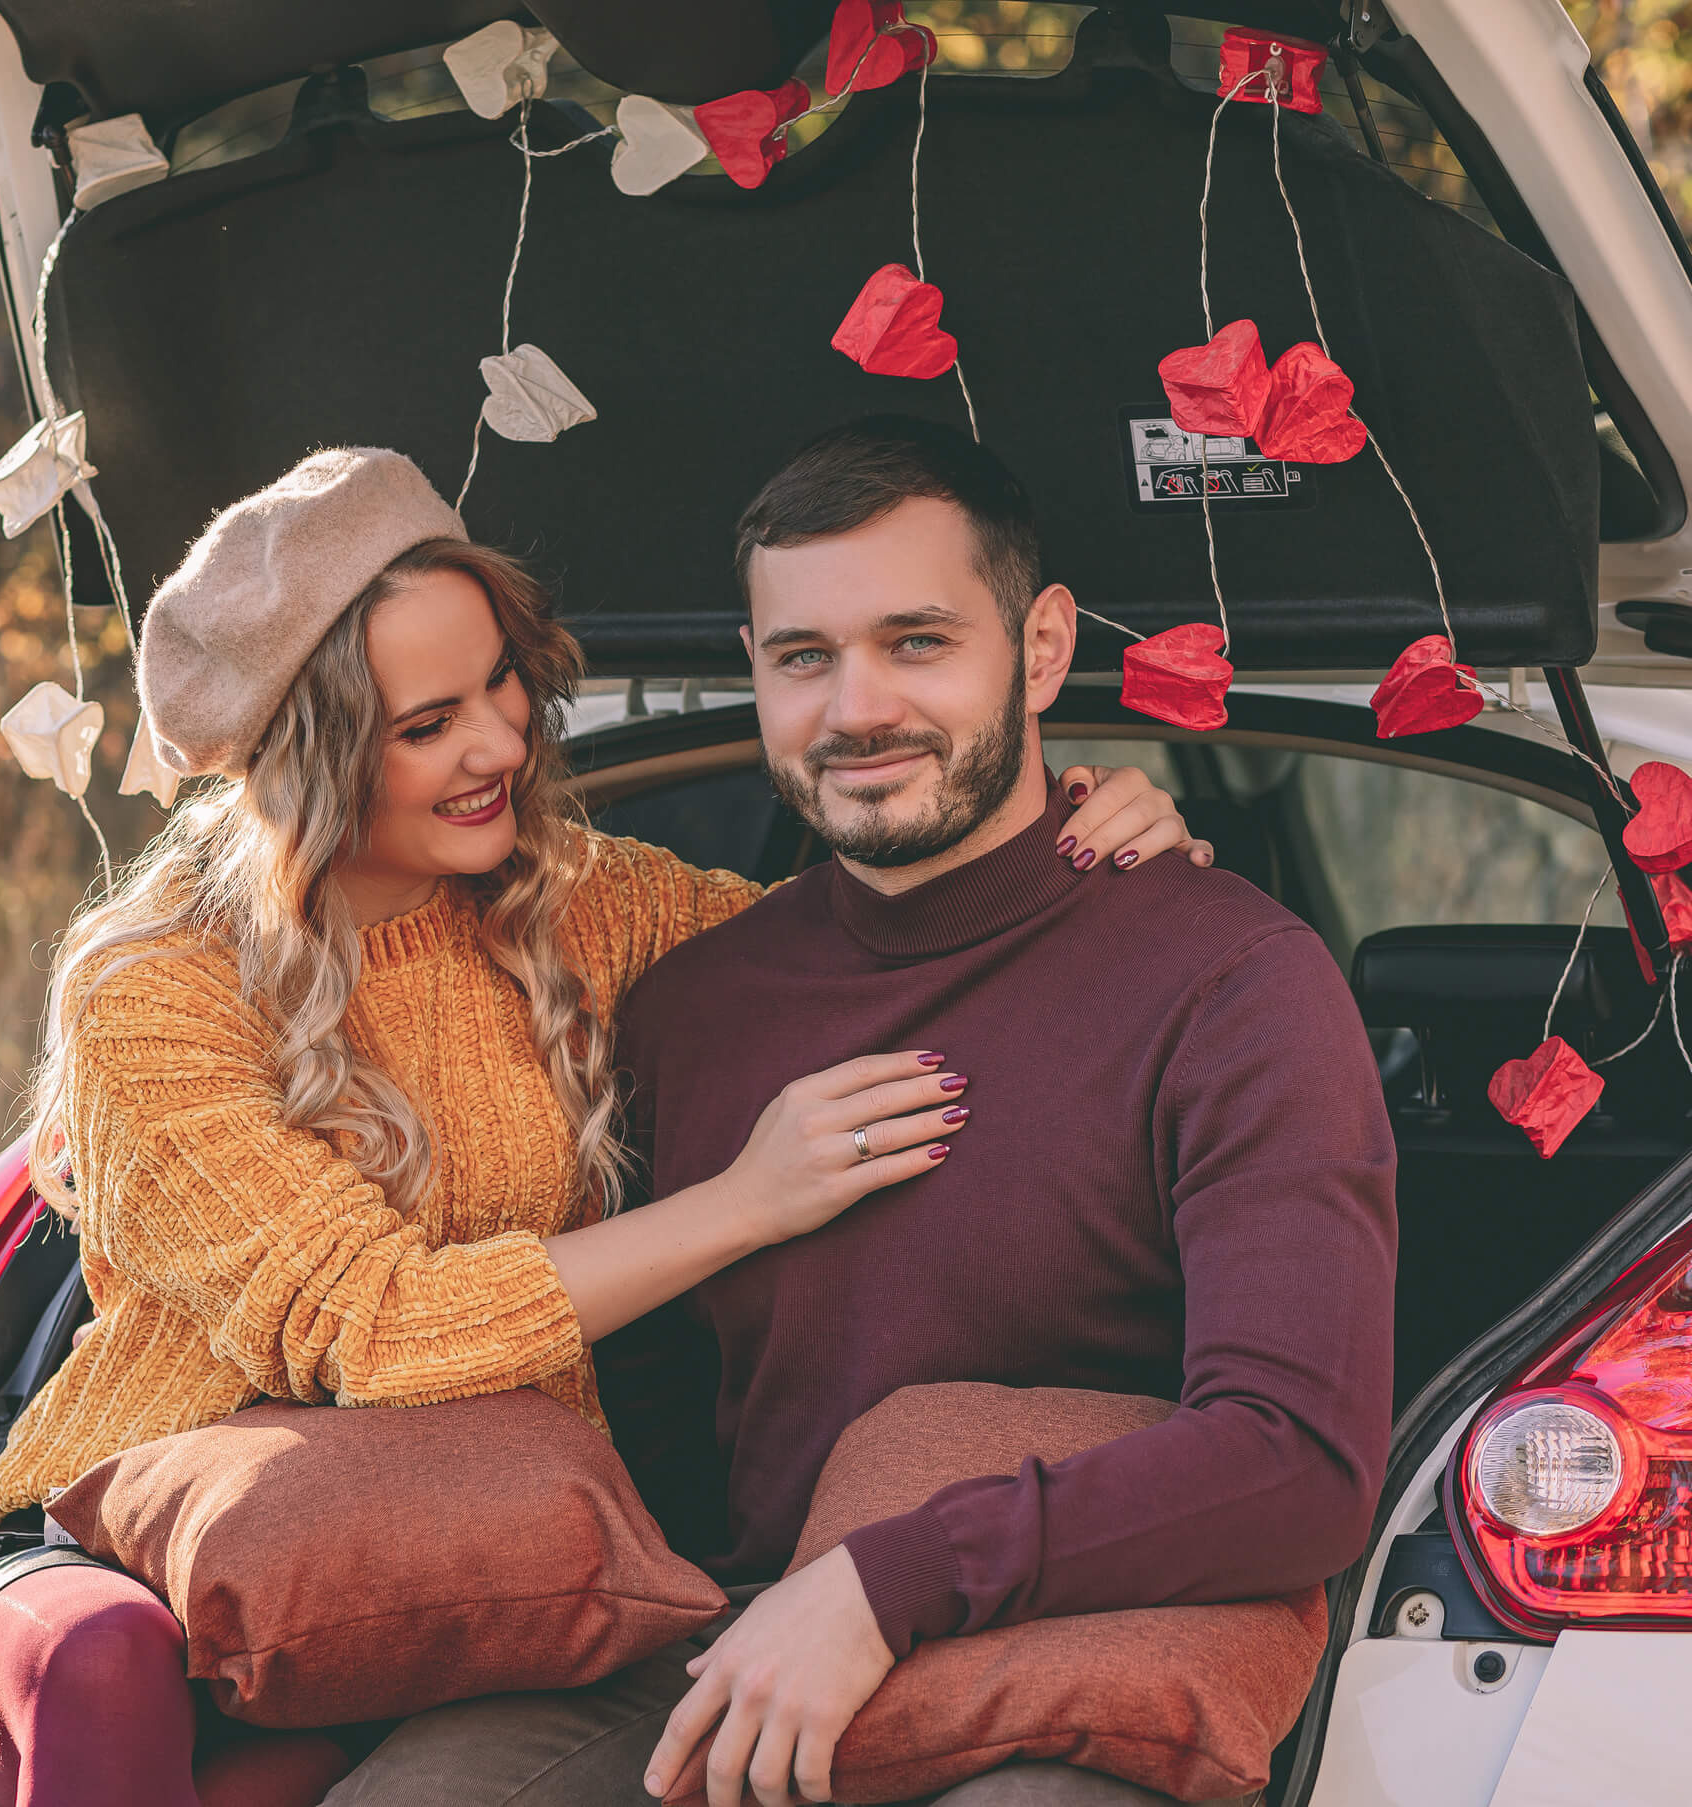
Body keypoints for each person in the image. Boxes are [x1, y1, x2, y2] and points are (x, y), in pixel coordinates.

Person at [0, 446, 1208, 1807]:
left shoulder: (587, 904)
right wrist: (747, 1200)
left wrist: (1073, 834)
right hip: (174, 1556)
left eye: (500, 680)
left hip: (512, 1572)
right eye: (427, 726)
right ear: (308, 758)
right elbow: (368, 1326)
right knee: (112, 1679)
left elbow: (870, 948)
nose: (500, 743)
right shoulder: (156, 986)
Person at [320, 418, 1399, 1807]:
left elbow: (1300, 1464)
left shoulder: (1232, 980)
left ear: (1046, 647)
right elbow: (651, 1429)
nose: (856, 710)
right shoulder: (691, 1001)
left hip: (1077, 1638)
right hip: (748, 1629)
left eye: (919, 642)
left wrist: (885, 1589)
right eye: (804, 658)